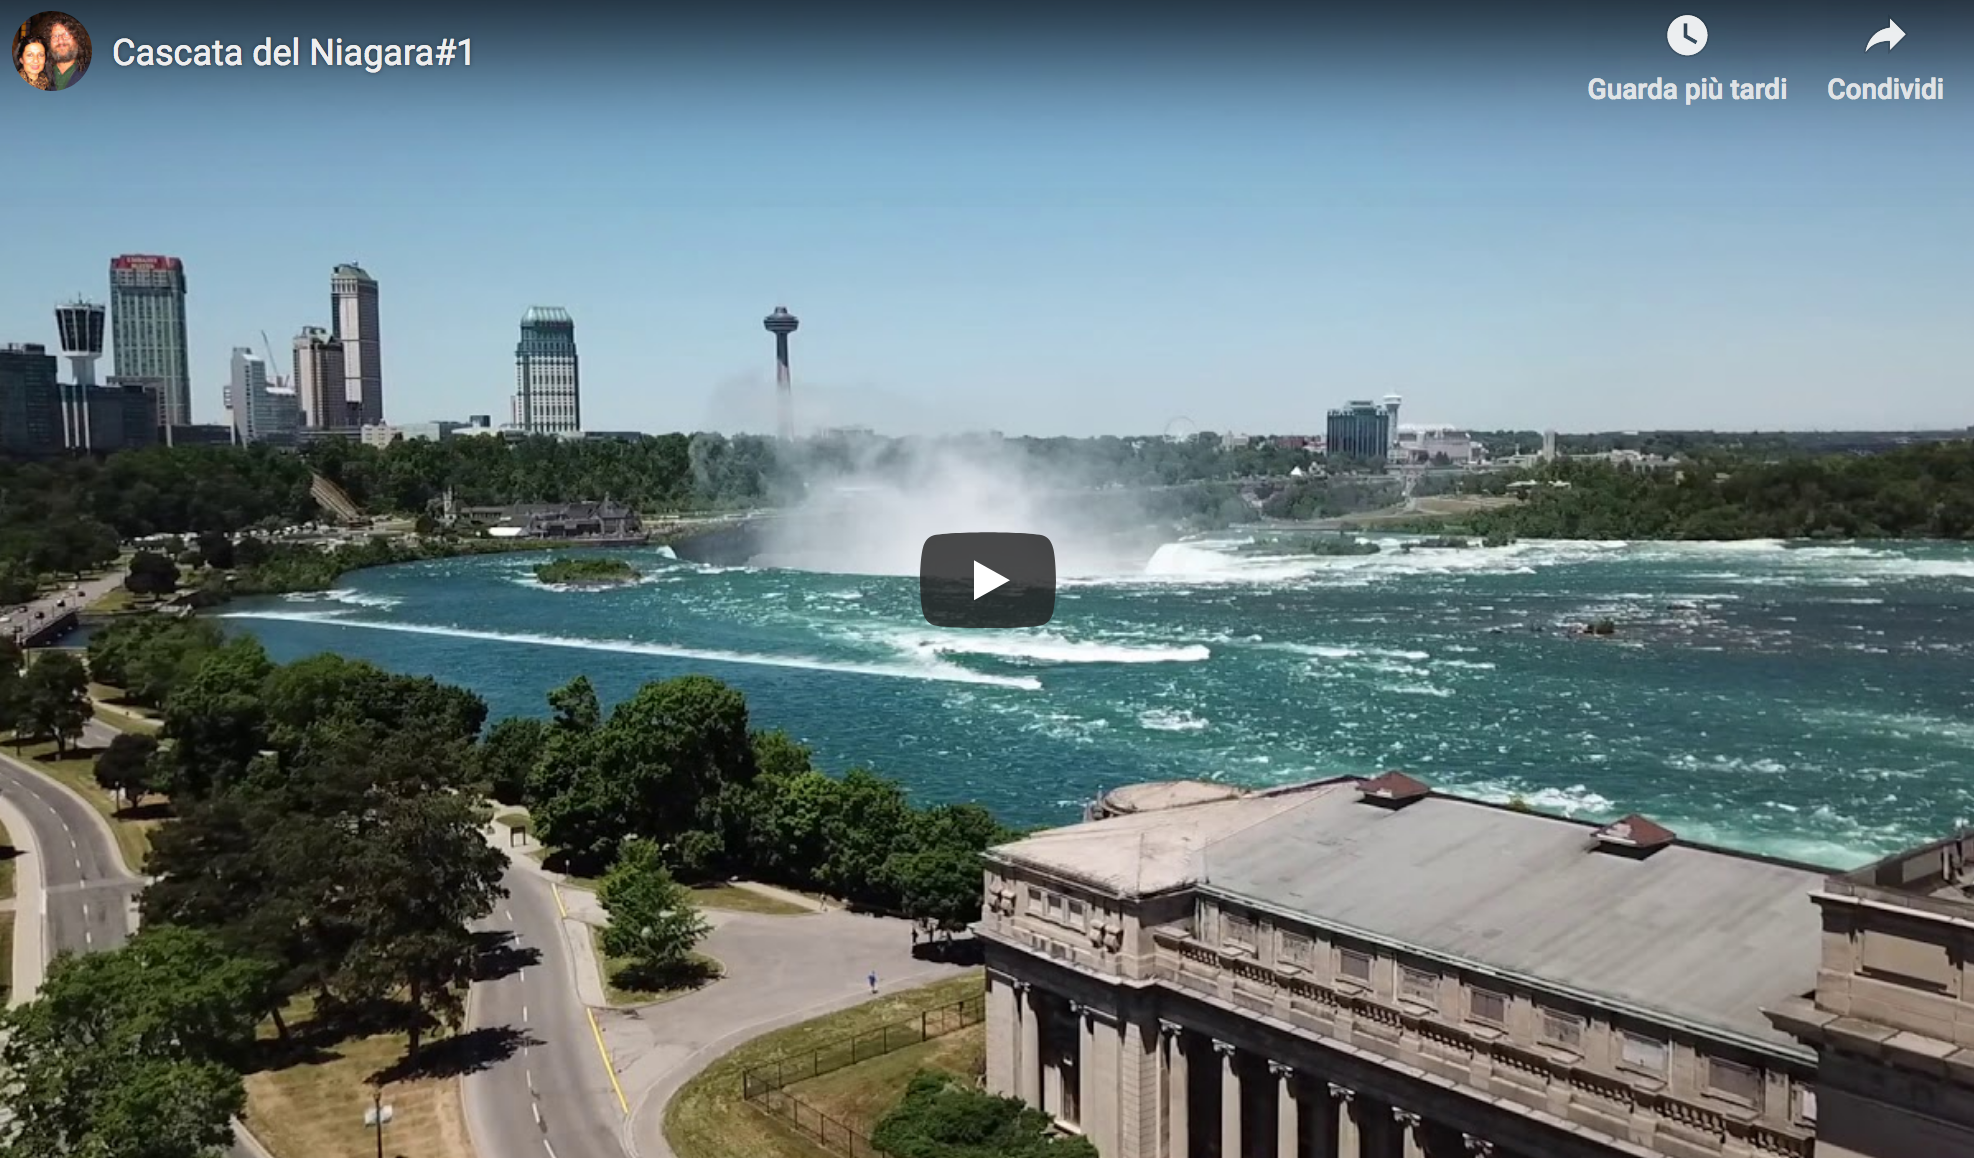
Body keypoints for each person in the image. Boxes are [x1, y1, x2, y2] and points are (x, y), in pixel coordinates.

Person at [43, 15, 85, 90]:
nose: (60, 41)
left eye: (66, 34)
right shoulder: (40, 75)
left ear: (77, 39)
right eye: (55, 36)